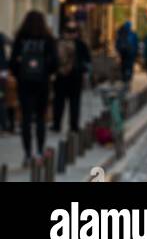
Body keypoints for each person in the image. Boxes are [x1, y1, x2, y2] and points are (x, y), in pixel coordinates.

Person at [9, 10, 58, 165]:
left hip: (25, 83)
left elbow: (12, 62)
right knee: (41, 118)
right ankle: (39, 151)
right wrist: (46, 73)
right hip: (42, 83)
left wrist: (19, 75)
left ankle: (27, 154)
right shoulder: (48, 38)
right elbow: (55, 62)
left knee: (26, 118)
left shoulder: (20, 38)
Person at [52, 20, 91, 134]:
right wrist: (85, 72)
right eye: (71, 31)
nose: (72, 33)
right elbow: (87, 60)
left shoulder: (58, 42)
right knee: (73, 102)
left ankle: (57, 124)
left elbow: (53, 59)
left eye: (73, 31)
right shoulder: (80, 44)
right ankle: (73, 126)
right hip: (74, 76)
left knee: (60, 101)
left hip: (62, 76)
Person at [115, 20, 138, 85]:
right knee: (130, 66)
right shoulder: (133, 34)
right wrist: (136, 53)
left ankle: (124, 78)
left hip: (123, 52)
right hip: (131, 53)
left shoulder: (121, 33)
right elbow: (136, 44)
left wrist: (118, 50)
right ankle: (128, 77)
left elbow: (117, 43)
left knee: (124, 65)